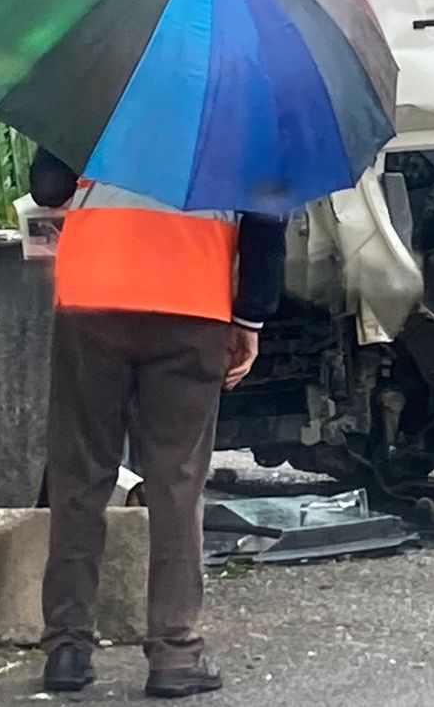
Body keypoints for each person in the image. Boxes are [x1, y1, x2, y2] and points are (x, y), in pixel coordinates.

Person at [29, 147, 287, 699]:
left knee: (80, 475)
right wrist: (250, 318)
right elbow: (267, 223)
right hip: (191, 304)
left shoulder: (98, 81)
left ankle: (68, 649)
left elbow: (48, 185)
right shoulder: (239, 110)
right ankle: (175, 654)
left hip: (91, 300)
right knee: (177, 481)